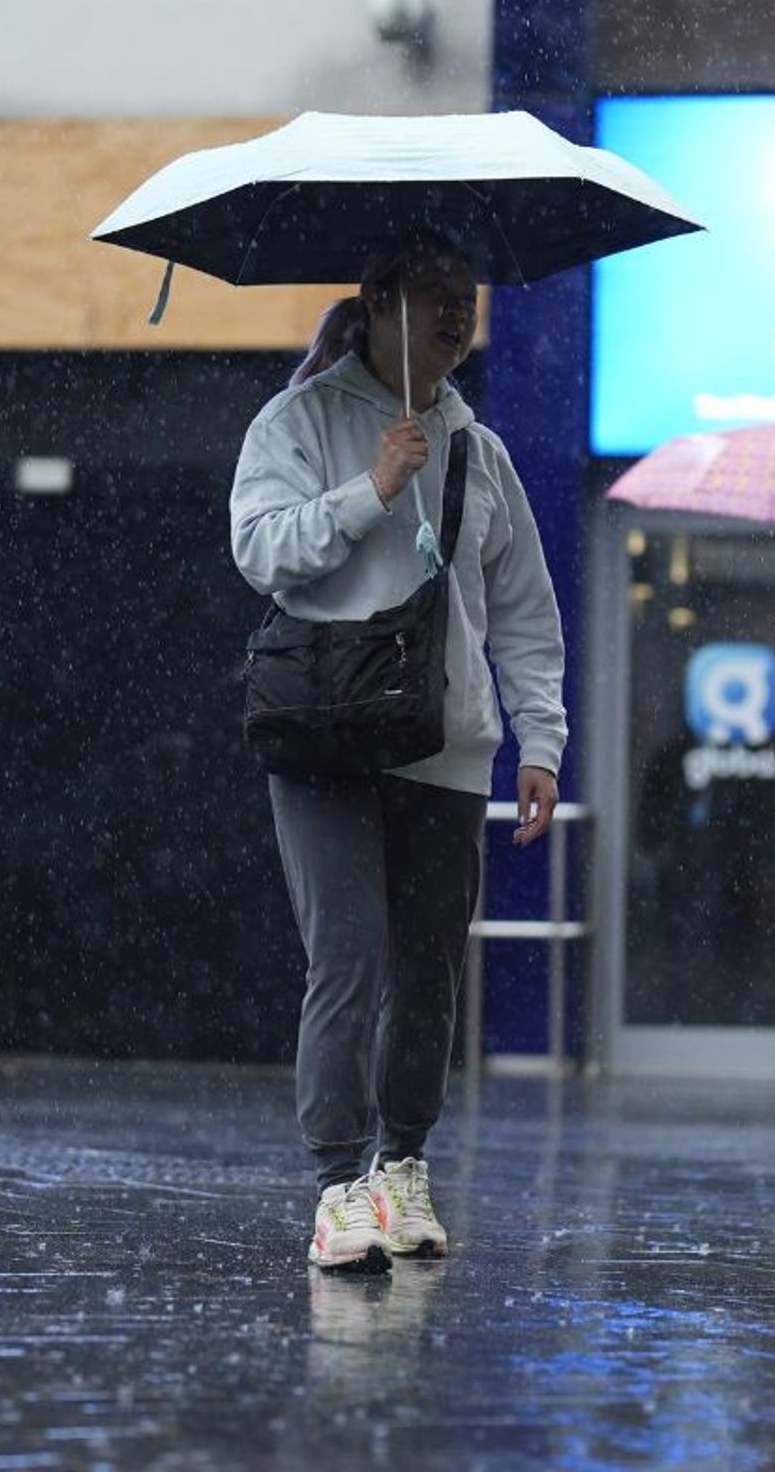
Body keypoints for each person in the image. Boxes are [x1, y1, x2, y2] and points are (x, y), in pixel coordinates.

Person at [230, 234, 568, 1272]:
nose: (458, 314)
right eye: (434, 295)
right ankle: (339, 1186)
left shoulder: (481, 450)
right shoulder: (296, 421)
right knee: (347, 955)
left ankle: (403, 1166)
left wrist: (540, 737)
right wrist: (370, 488)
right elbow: (260, 549)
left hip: (444, 741)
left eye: (466, 296)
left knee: (425, 971)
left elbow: (520, 612)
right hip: (327, 734)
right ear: (375, 300)